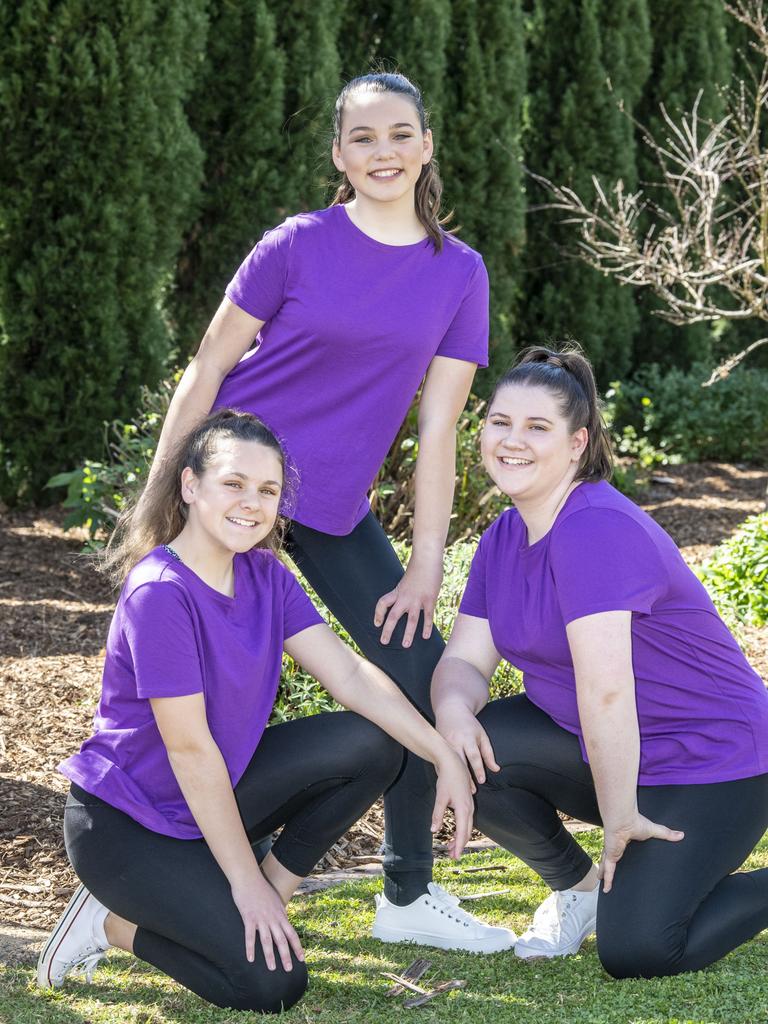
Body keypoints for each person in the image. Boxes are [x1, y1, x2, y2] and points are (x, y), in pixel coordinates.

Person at [130, 71, 504, 951]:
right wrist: (161, 499)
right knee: (206, 688)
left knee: (417, 676)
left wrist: (423, 565)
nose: (384, 152)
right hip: (233, 491)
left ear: (427, 146)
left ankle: (401, 896)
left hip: (331, 508)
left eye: (399, 133)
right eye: (363, 138)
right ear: (339, 155)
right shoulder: (296, 244)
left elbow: (441, 427)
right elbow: (207, 368)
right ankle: (149, 868)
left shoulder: (460, 274)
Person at [37, 410, 511, 1013]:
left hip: (216, 801)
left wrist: (441, 750)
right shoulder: (161, 591)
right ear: (190, 486)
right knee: (270, 987)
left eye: (267, 490)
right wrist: (243, 887)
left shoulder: (264, 573)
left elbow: (347, 674)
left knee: (373, 745)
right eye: (233, 483)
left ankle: (271, 892)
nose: (251, 504)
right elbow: (190, 750)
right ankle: (111, 924)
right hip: (130, 826)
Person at [431, 345, 768, 978]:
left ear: (578, 443)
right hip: (615, 749)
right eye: (500, 422)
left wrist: (619, 817)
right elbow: (465, 661)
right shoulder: (504, 536)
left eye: (537, 427)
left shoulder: (594, 528)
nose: (512, 441)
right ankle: (581, 892)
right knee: (473, 744)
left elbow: (607, 692)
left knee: (638, 949)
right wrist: (451, 713)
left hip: (713, 759)